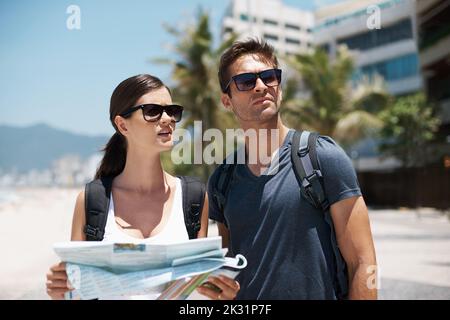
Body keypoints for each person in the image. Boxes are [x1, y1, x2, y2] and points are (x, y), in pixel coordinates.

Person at [207, 38, 378, 299]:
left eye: (270, 77)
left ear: (280, 89)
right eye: (246, 82)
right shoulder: (222, 179)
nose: (261, 87)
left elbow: (363, 262)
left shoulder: (322, 157)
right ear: (226, 100)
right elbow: (228, 269)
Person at [46, 74, 239, 300]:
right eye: (152, 111)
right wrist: (60, 292)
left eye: (172, 111)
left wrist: (223, 295)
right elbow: (76, 293)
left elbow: (200, 289)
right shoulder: (91, 201)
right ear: (122, 125)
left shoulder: (193, 198)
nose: (167, 119)